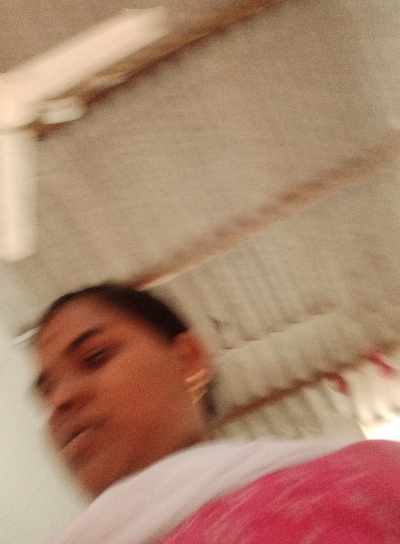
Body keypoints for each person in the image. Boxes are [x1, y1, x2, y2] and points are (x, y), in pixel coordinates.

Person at [33, 282, 400, 543]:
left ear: (188, 358)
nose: (61, 399)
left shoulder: (371, 480)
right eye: (46, 391)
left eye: (95, 357)